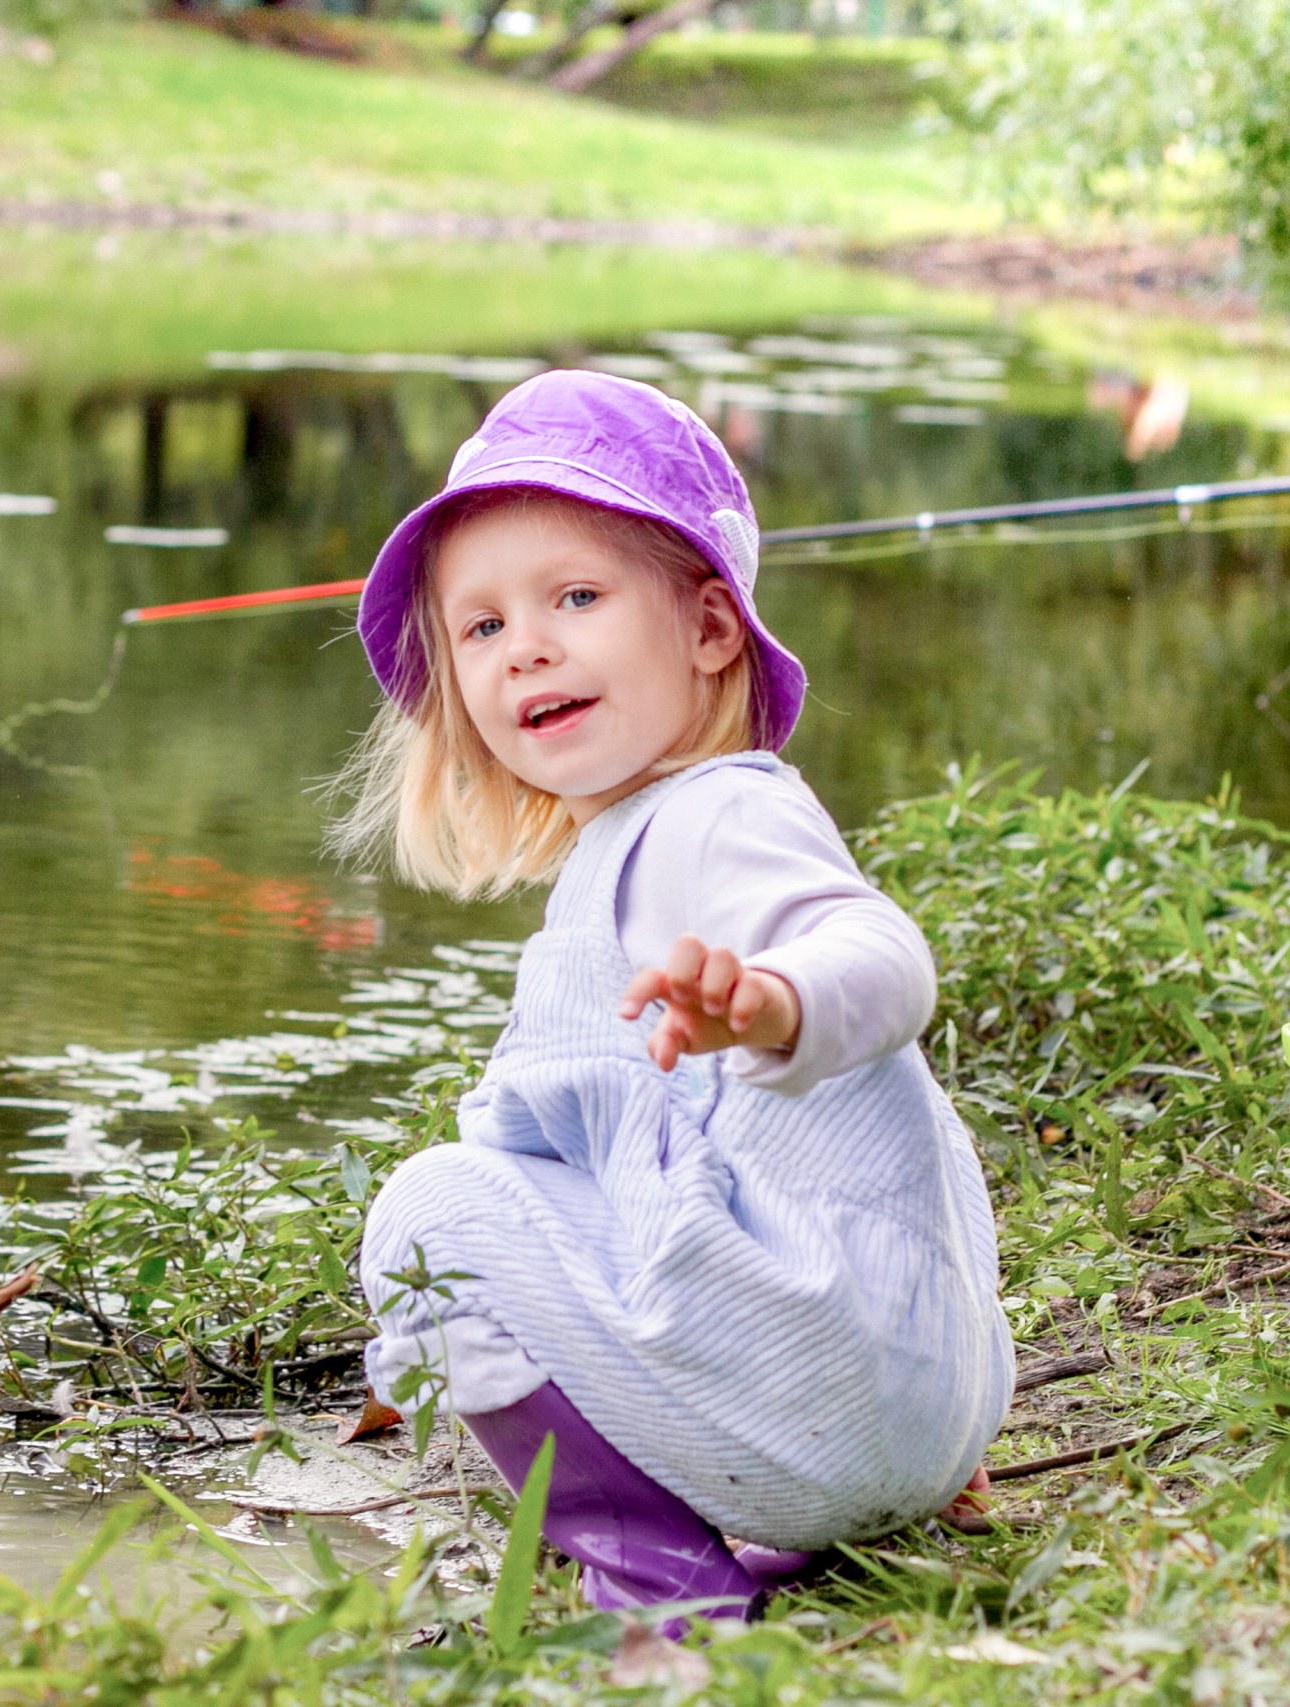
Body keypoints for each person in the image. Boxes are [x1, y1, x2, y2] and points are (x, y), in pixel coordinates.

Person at [329, 369, 1011, 1630]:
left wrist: (772, 1003)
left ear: (708, 631)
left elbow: (886, 962)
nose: (524, 644)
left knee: (422, 1223)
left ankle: (660, 1584)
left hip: (832, 1399)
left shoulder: (718, 813)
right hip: (909, 1404)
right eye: (479, 628)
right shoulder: (641, 841)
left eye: (575, 598)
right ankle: (884, 1489)